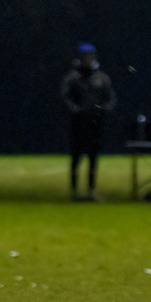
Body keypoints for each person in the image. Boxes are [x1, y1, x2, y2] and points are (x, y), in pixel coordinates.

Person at [60, 42, 116, 201]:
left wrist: (104, 109)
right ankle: (74, 191)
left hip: (95, 124)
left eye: (90, 56)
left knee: (93, 158)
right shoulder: (73, 78)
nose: (88, 59)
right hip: (78, 123)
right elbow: (66, 97)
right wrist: (76, 109)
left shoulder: (101, 78)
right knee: (76, 157)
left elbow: (110, 97)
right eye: (85, 56)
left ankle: (91, 190)